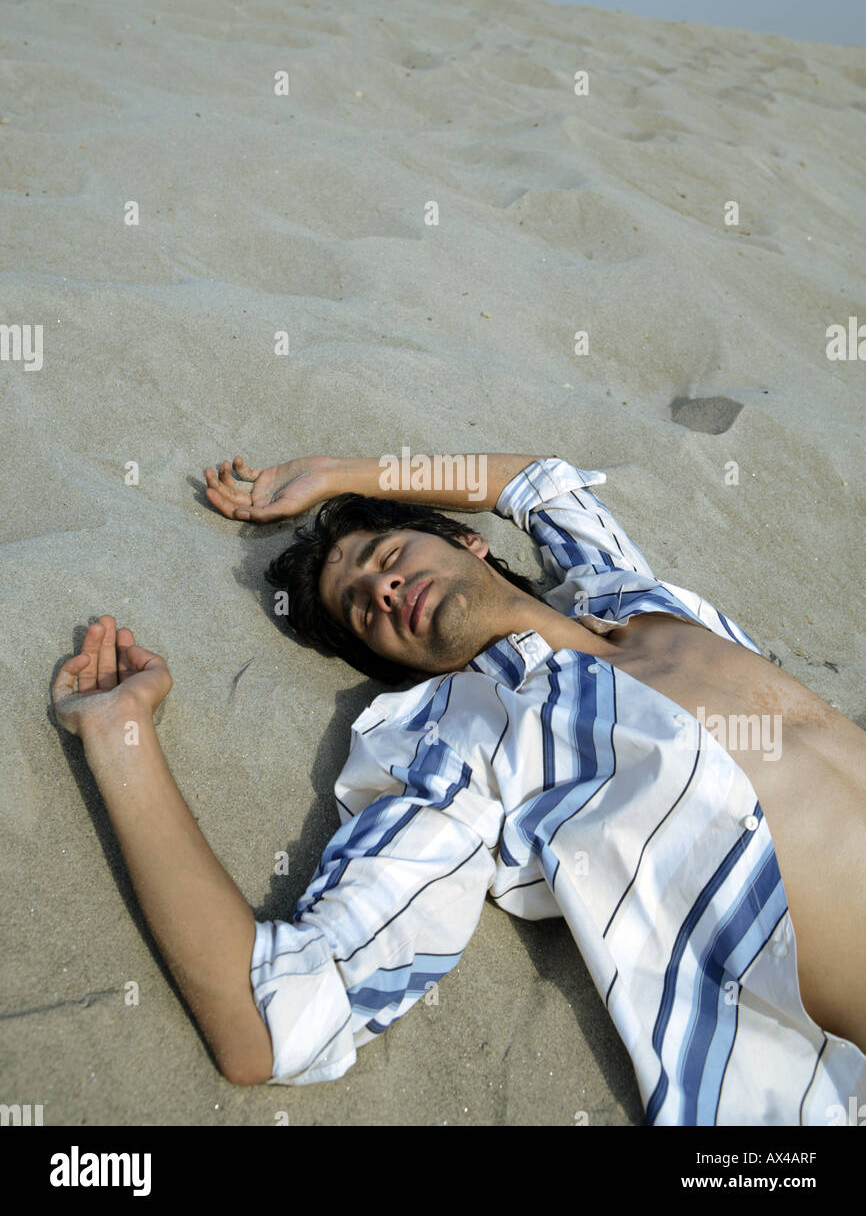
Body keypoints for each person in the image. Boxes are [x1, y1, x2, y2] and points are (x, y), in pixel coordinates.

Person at [52, 451, 866, 1123]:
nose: (382, 589)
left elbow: (536, 484)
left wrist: (339, 475)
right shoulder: (467, 745)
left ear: (469, 544)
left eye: (389, 556)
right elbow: (268, 1018)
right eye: (361, 609)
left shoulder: (623, 591)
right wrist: (122, 738)